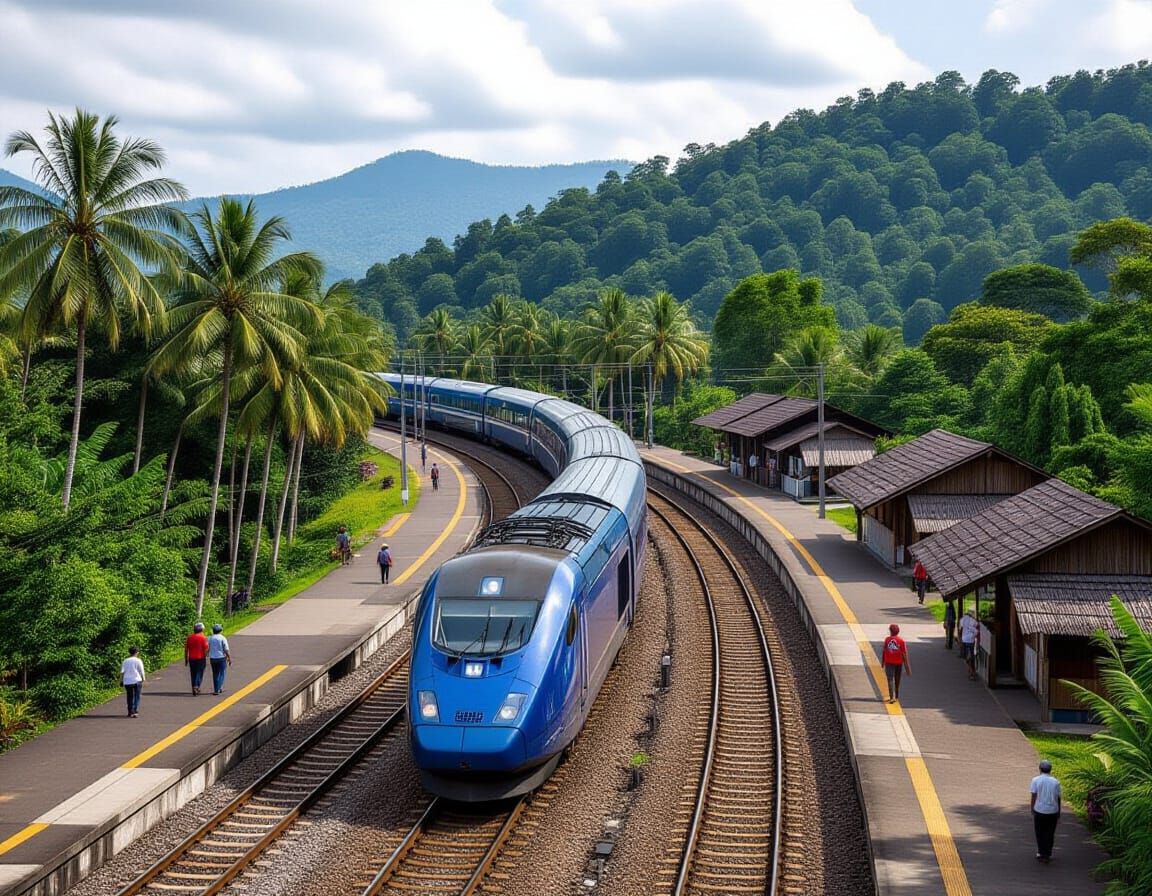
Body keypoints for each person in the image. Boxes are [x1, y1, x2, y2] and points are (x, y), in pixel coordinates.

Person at [1030, 759, 1062, 863]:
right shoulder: (1056, 782)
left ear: (1040, 769)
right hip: (1052, 811)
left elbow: (1034, 795)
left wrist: (1032, 808)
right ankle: (1047, 854)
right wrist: (1058, 811)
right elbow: (1058, 797)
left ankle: (1040, 852)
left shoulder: (1036, 780)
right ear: (1050, 770)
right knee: (1050, 833)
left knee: (1039, 832)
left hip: (1039, 810)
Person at [882, 623, 911, 703]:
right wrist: (907, 667)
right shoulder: (901, 641)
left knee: (890, 679)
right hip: (899, 662)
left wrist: (882, 662)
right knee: (897, 678)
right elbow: (904, 654)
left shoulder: (887, 640)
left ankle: (892, 697)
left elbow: (884, 651)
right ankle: (897, 695)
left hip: (889, 662)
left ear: (890, 631)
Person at [185, 622, 209, 695]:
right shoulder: (203, 638)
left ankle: (194, 687)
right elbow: (206, 648)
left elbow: (186, 649)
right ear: (201, 630)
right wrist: (206, 655)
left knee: (193, 673)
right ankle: (196, 686)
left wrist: (186, 659)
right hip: (200, 658)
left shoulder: (189, 637)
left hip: (191, 658)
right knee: (199, 673)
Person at [121, 646, 145, 717]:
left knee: (129, 696)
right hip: (137, 680)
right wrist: (143, 679)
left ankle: (130, 711)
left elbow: (122, 672)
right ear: (137, 652)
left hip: (127, 681)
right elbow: (141, 671)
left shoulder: (125, 661)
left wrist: (121, 680)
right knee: (137, 696)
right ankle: (135, 711)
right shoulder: (138, 660)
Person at [208, 624, 232, 695]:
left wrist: (206, 654)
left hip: (212, 658)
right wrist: (229, 658)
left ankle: (216, 689)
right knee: (222, 673)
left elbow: (207, 648)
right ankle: (219, 687)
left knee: (215, 674)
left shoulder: (210, 638)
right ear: (221, 630)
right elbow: (226, 649)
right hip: (221, 657)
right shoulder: (222, 638)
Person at [959, 608, 980, 680]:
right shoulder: (973, 621)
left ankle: (971, 671)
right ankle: (972, 671)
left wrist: (960, 639)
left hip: (964, 640)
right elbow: (977, 627)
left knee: (966, 657)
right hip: (971, 640)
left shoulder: (962, 620)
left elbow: (960, 629)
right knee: (972, 656)